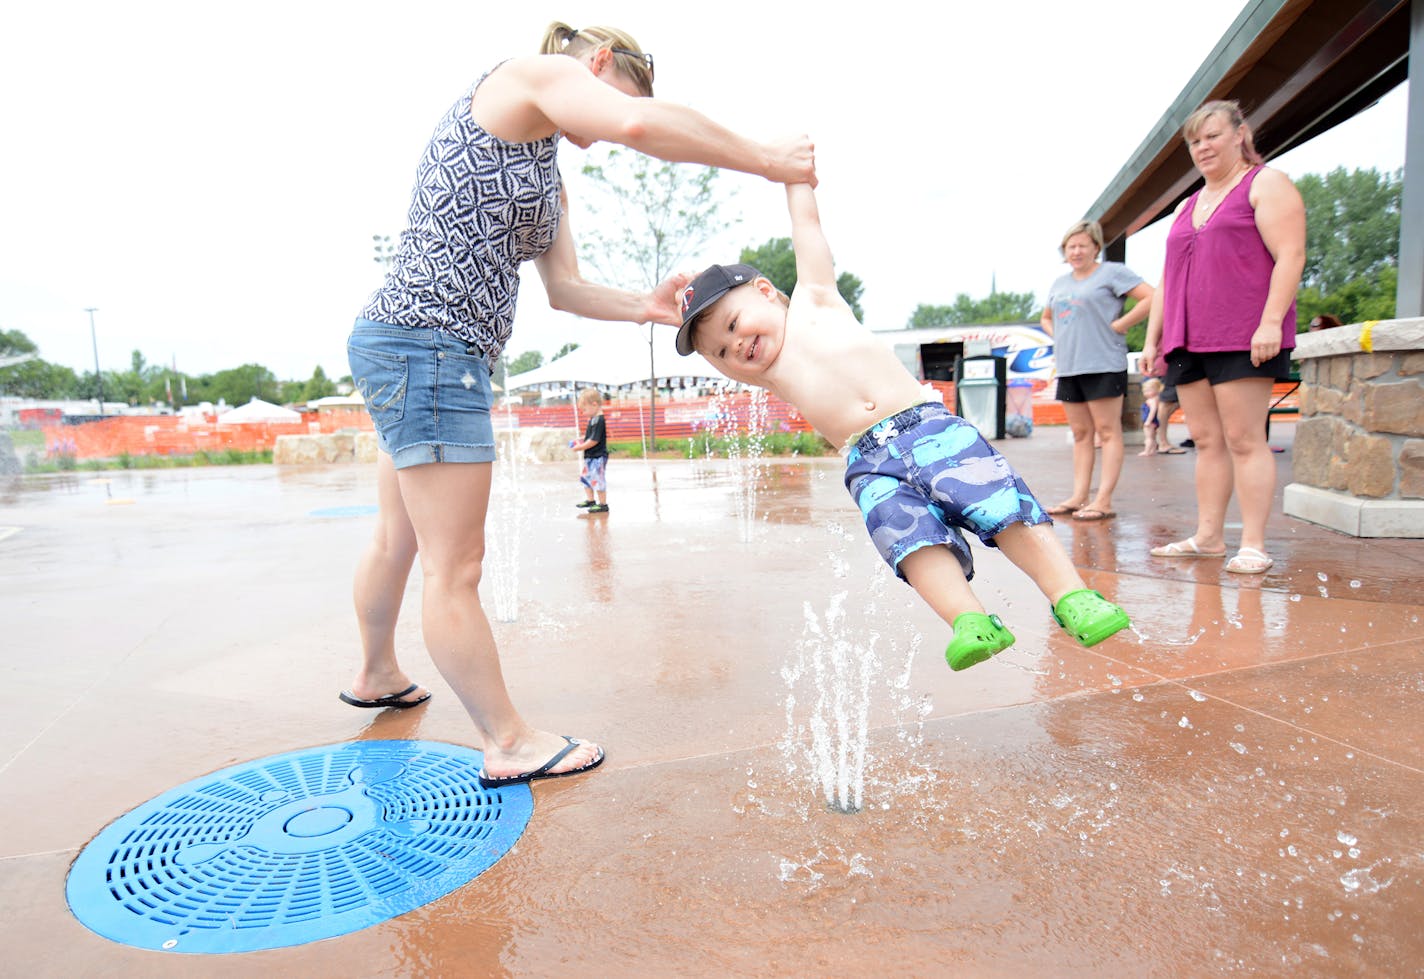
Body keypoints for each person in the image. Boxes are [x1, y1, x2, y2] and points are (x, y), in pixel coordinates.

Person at [342, 22, 816, 787]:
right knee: (455, 566)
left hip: (409, 343)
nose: (615, 136)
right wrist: (765, 160)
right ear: (597, 64)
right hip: (428, 345)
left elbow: (565, 290)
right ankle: (508, 740)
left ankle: (374, 672)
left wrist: (649, 307)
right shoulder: (523, 78)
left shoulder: (546, 168)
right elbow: (634, 122)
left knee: (400, 536)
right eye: (620, 94)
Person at [675, 185, 1131, 671]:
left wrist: (793, 179)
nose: (734, 346)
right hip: (869, 465)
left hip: (928, 429)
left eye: (734, 324)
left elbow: (807, 231)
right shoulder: (768, 373)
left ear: (766, 292)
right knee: (912, 543)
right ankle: (969, 620)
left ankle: (1071, 596)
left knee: (1002, 508)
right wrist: (679, 312)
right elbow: (709, 342)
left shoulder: (816, 303)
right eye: (720, 352)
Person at [1141, 99, 1306, 574]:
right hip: (1187, 339)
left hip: (1243, 333)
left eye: (1212, 135)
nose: (1203, 147)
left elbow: (1291, 254)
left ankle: (1252, 543)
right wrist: (1154, 339)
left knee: (1243, 437)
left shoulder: (1266, 184)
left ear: (1239, 134)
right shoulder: (1188, 204)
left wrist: (1271, 321)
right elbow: (1169, 278)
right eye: (1195, 141)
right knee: (1206, 439)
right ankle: (1209, 536)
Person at [1039, 220, 1154, 522]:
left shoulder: (1112, 273)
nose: (1076, 251)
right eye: (1070, 246)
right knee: (1080, 433)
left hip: (1103, 362)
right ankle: (1079, 495)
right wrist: (1058, 335)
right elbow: (1046, 317)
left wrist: (1121, 324)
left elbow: (1151, 297)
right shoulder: (1060, 283)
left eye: (1082, 245)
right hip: (1069, 365)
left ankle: (1103, 499)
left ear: (1095, 248)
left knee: (1107, 431)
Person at [571, 387, 609, 513]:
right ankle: (590, 500)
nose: (583, 413)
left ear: (594, 404)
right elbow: (589, 437)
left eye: (584, 409)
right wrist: (581, 440)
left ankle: (603, 504)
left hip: (598, 456)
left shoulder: (599, 421)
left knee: (598, 479)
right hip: (590, 456)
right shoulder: (593, 420)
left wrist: (580, 447)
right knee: (586, 478)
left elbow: (594, 441)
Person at [1137, 377, 1163, 456]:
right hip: (1154, 421)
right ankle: (1153, 450)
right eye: (1144, 391)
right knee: (1153, 437)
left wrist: (1148, 421)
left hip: (1150, 421)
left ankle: (1147, 451)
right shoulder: (1157, 399)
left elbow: (1152, 411)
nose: (1146, 393)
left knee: (1148, 437)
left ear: (1157, 390)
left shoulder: (1152, 400)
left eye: (1148, 391)